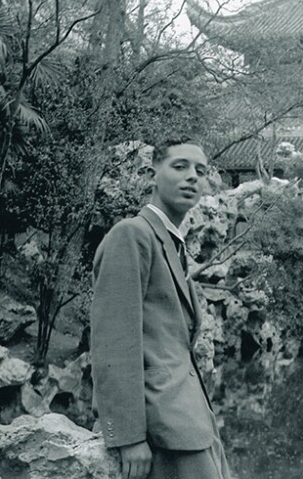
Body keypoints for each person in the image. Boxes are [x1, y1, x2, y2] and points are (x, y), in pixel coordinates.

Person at [90, 139, 231, 479]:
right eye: (179, 167)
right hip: (161, 427)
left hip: (192, 424)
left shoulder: (170, 243)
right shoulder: (131, 235)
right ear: (153, 174)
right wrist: (128, 437)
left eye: (200, 170)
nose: (192, 178)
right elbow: (114, 340)